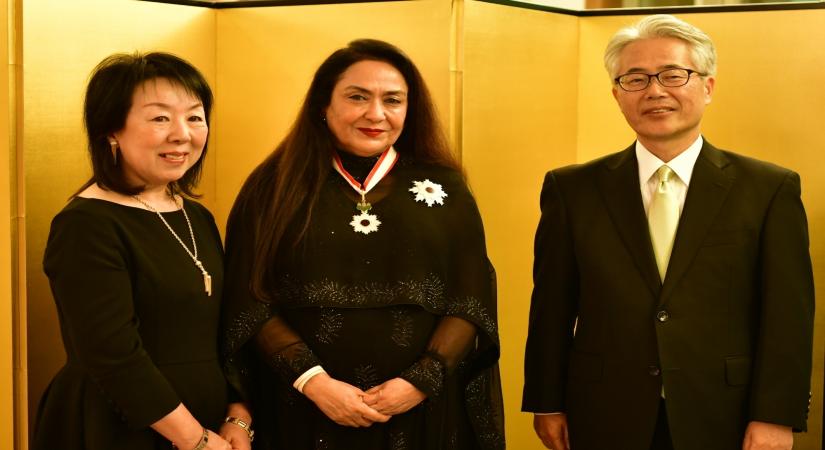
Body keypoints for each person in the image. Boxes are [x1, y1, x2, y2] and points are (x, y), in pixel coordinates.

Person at [522, 14, 814, 450]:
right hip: (604, 408)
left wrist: (776, 415)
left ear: (708, 86)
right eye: (635, 79)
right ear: (617, 95)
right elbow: (551, 304)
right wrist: (546, 401)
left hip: (726, 411)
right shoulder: (572, 189)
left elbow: (787, 315)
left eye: (674, 75)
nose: (655, 91)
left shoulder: (769, 188)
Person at [221, 39, 505, 450]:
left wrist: (420, 381)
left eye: (393, 100)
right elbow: (247, 298)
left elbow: (471, 299)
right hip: (302, 408)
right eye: (357, 97)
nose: (376, 114)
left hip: (422, 410)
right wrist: (313, 382)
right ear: (324, 103)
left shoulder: (445, 187)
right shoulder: (273, 186)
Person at [32, 52, 252, 450]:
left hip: (209, 428)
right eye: (160, 118)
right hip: (118, 428)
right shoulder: (87, 224)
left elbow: (224, 331)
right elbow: (113, 356)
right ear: (110, 129)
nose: (182, 133)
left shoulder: (197, 215)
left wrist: (238, 413)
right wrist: (195, 440)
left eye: (195, 116)